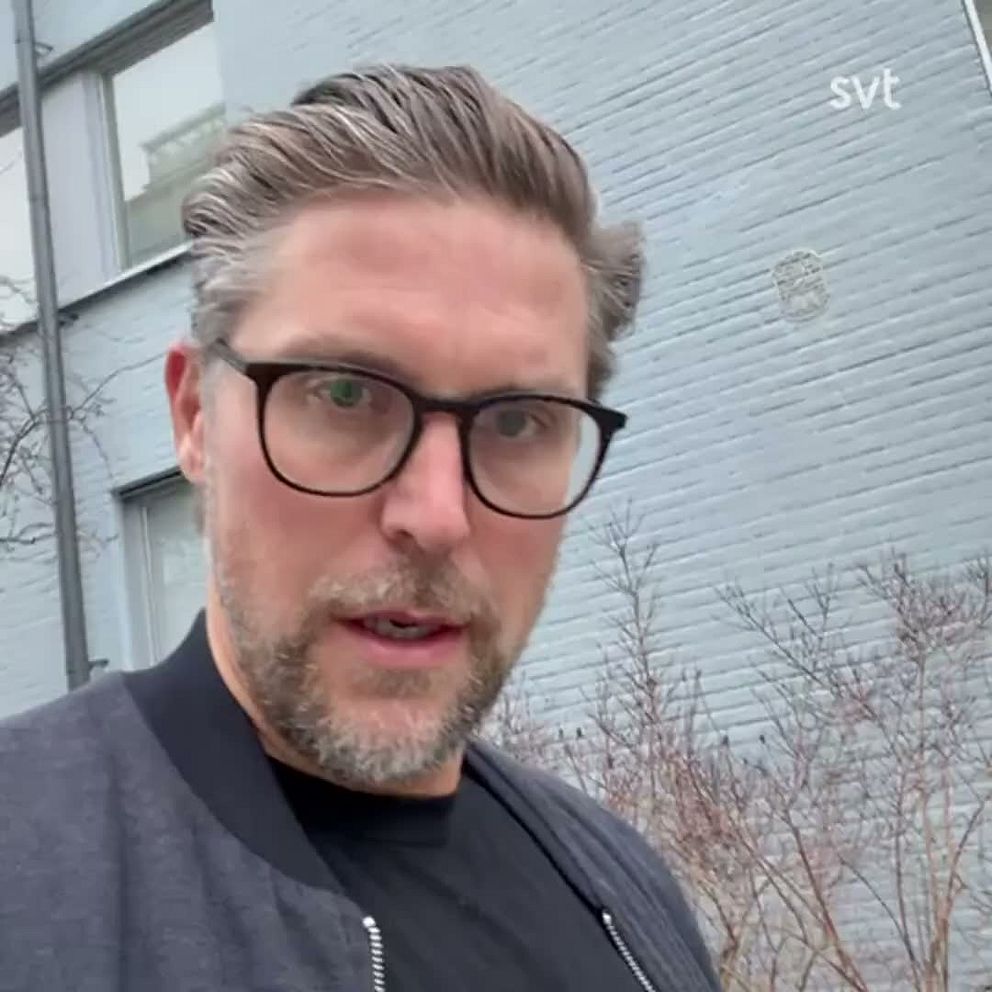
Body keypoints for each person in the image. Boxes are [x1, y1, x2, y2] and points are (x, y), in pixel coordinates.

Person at [0, 64, 721, 992]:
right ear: (195, 419)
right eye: (344, 394)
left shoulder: (626, 887)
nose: (436, 516)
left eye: (516, 421)